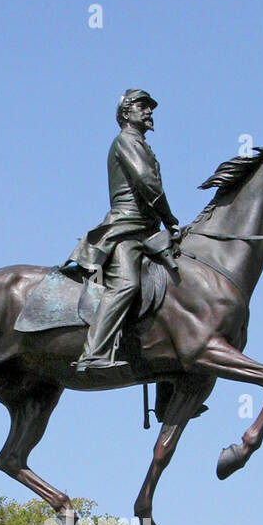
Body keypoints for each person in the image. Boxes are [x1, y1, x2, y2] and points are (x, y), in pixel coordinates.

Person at [71, 89, 181, 372]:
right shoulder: (126, 141)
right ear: (125, 112)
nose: (149, 112)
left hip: (147, 231)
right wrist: (169, 218)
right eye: (142, 106)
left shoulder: (141, 144)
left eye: (150, 107)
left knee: (176, 291)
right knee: (127, 284)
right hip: (126, 229)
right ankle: (93, 352)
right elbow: (147, 183)